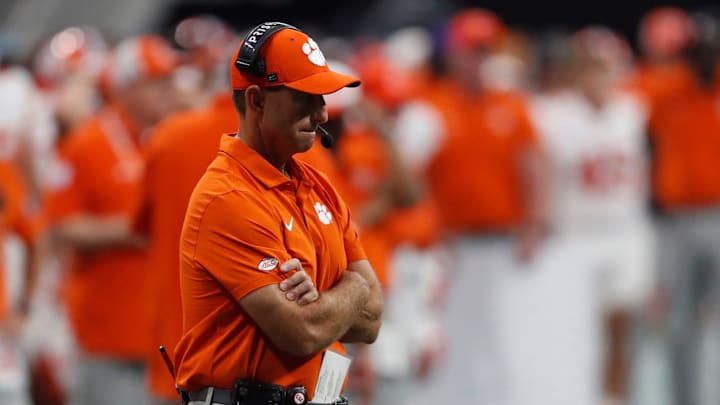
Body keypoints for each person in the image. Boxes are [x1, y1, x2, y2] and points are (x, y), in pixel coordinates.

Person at [172, 22, 383, 405]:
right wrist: (351, 286)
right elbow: (300, 331)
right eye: (306, 97)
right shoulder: (227, 197)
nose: (322, 114)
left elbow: (371, 321)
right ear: (257, 101)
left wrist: (321, 298)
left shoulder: (320, 186)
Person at [42, 34, 182, 405]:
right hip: (110, 328)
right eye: (160, 83)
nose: (172, 92)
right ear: (128, 87)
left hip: (169, 333)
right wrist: (129, 230)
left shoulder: (170, 139)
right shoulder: (88, 143)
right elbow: (59, 226)